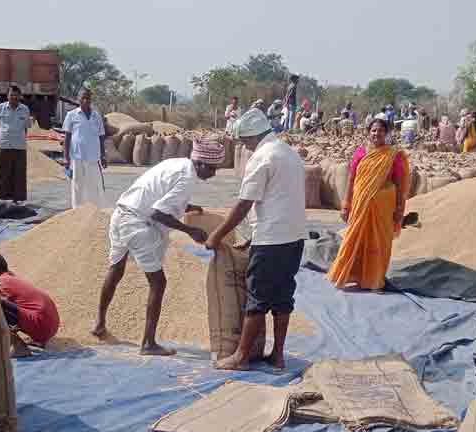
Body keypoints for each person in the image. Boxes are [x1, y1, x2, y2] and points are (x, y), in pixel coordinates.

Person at [90, 138, 224, 355]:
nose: (213, 174)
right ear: (199, 162)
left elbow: (159, 194)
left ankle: (98, 324)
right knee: (158, 283)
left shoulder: (177, 163)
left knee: (116, 269)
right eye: (211, 168)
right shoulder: (187, 177)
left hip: (121, 213)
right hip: (136, 223)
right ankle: (148, 343)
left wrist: (186, 206)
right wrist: (191, 231)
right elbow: (158, 213)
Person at [206, 108, 306, 371]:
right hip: (294, 237)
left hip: (272, 240)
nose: (245, 147)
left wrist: (216, 235)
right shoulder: (288, 152)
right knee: (283, 295)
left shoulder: (261, 157)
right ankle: (278, 355)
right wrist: (252, 237)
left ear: (252, 137)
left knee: (257, 296)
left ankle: (240, 356)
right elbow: (279, 200)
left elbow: (244, 204)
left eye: (244, 142)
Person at [327, 118, 410, 291]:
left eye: (380, 130)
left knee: (379, 243)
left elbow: (400, 183)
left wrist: (399, 209)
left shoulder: (393, 155)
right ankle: (349, 275)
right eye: (373, 130)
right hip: (360, 203)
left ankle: (375, 281)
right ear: (368, 132)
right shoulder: (360, 152)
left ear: (386, 133)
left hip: (384, 207)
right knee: (354, 237)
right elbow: (351, 179)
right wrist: (345, 205)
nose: (376, 134)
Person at [0, 253, 60, 349]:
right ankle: (33, 339)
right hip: (51, 326)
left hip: (42, 327)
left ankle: (14, 346)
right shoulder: (11, 278)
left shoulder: (0, 283)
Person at [62, 89, 108, 209]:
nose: (86, 100)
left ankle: (93, 210)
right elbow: (67, 138)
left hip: (93, 157)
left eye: (88, 98)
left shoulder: (96, 116)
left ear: (91, 99)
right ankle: (77, 210)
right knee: (77, 185)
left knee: (93, 186)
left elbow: (101, 137)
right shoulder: (71, 115)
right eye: (83, 98)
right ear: (78, 99)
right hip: (77, 157)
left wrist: (103, 156)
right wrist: (66, 158)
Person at [0, 85, 33, 203]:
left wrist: (21, 141)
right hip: (4, 145)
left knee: (18, 175)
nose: (14, 97)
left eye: (16, 95)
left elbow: (25, 129)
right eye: (11, 95)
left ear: (20, 96)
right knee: (2, 175)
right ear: (7, 96)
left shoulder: (25, 109)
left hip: (20, 147)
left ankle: (18, 201)